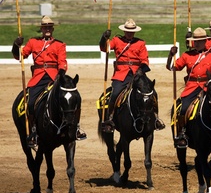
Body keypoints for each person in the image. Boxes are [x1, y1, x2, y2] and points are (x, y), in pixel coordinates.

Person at [12, 15, 86, 147]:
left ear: (52, 29)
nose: (47, 29)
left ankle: (75, 128)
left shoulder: (59, 44)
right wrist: (16, 45)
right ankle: (34, 131)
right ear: (41, 28)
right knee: (30, 103)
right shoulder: (33, 42)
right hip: (38, 78)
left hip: (54, 78)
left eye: (49, 27)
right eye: (45, 27)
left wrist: (61, 74)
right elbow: (20, 56)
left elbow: (62, 62)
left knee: (73, 99)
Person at [99, 18, 165, 133]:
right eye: (127, 31)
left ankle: (155, 118)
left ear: (134, 32)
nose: (129, 33)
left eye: (132, 31)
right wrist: (104, 38)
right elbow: (105, 48)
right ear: (124, 31)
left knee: (153, 93)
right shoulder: (116, 40)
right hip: (121, 74)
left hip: (137, 74)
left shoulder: (140, 43)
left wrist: (140, 70)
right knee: (115, 93)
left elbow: (145, 61)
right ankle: (110, 119)